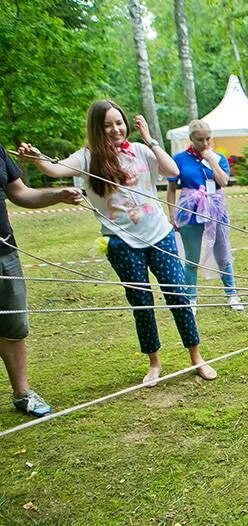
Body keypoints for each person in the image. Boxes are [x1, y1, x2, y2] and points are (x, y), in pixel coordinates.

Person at [19, 100, 217, 384]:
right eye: (108, 125)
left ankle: (196, 357)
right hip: (122, 243)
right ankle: (154, 363)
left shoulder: (139, 150)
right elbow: (55, 169)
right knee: (141, 302)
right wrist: (37, 157)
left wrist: (149, 140)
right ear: (98, 128)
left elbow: (173, 171)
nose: (115, 129)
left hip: (160, 235)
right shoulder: (88, 158)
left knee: (178, 296)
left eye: (119, 123)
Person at [1, 148, 84, 416]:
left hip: (4, 252)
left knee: (13, 324)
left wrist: (58, 195)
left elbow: (20, 193)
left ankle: (22, 393)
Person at [166, 119, 243, 312]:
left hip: (215, 211)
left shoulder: (218, 158)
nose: (205, 143)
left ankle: (232, 294)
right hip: (190, 212)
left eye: (208, 138)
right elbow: (172, 188)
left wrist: (211, 161)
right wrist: (171, 213)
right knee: (192, 257)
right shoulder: (179, 159)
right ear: (191, 138)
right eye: (200, 139)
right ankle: (190, 299)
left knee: (223, 253)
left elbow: (223, 181)